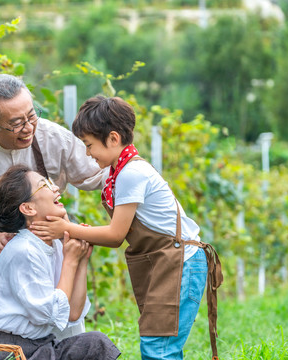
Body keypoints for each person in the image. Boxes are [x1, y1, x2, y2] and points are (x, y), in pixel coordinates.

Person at [30, 96, 223, 360]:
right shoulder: (117, 172)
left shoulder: (131, 173)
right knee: (156, 343)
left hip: (181, 262)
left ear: (112, 138)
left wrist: (68, 228)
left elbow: (114, 235)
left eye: (89, 145)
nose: (87, 153)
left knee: (159, 347)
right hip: (169, 261)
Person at [0, 74, 106, 360]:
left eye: (32, 116)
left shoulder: (53, 138)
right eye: (16, 123)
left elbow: (97, 175)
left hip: (43, 244)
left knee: (66, 313)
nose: (28, 128)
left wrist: (133, 177)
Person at [0, 165, 121, 360]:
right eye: (45, 185)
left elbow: (73, 314)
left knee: (95, 344)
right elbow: (52, 313)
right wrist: (69, 261)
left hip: (38, 346)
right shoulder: (24, 250)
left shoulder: (55, 247)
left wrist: (80, 260)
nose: (56, 189)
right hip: (7, 352)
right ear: (28, 208)